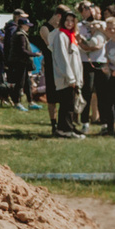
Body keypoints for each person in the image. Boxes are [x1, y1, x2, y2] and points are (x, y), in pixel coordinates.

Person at [44, 8, 86, 138]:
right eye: (67, 20)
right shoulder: (60, 36)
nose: (69, 23)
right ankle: (64, 130)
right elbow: (62, 59)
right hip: (65, 78)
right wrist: (71, 78)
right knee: (66, 105)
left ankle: (69, 126)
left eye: (72, 21)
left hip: (72, 77)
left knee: (70, 104)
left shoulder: (70, 36)